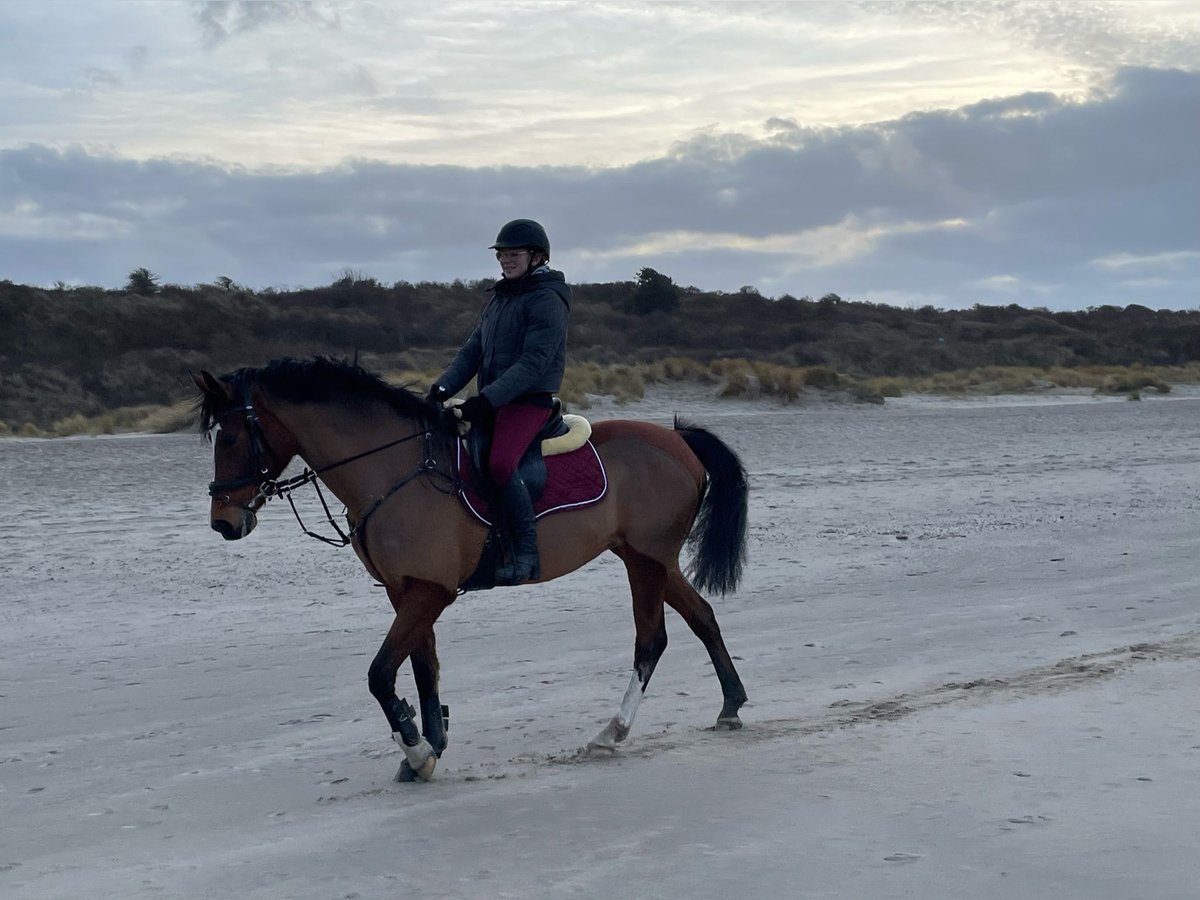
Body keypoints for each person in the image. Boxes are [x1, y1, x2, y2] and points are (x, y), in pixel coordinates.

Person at [427, 219, 572, 584]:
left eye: (514, 254)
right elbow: (471, 351)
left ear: (537, 257)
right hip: (496, 401)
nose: (506, 260)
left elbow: (533, 362)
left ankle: (526, 553)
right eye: (502, 254)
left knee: (501, 463)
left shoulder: (547, 300)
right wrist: (441, 389)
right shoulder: (500, 298)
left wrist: (485, 401)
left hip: (528, 403)